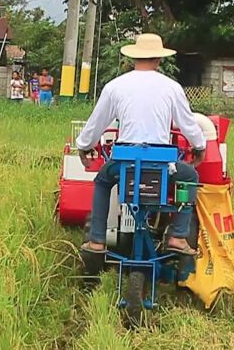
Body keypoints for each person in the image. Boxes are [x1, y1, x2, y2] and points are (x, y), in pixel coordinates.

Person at [76, 33, 206, 255]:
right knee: (190, 177)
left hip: (124, 161)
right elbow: (188, 123)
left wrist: (84, 146)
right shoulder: (171, 87)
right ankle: (177, 236)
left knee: (103, 181)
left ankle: (97, 239)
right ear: (158, 60)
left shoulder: (115, 86)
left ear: (133, 59)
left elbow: (96, 123)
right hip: (162, 163)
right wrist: (199, 147)